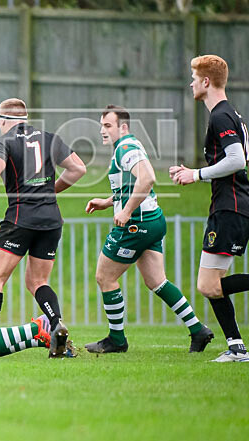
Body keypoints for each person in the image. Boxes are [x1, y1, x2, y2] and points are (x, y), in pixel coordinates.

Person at [0, 98, 87, 358]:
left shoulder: (3, 143)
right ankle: (56, 325)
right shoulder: (49, 138)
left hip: (20, 219)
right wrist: (49, 192)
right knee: (38, 281)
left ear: (2, 120)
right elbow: (78, 169)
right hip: (51, 220)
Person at [85, 105, 212, 354]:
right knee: (157, 281)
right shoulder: (130, 145)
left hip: (137, 224)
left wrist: (126, 211)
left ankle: (117, 340)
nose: (102, 130)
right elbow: (133, 185)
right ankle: (198, 330)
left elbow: (147, 179)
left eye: (107, 125)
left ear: (123, 127)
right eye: (101, 125)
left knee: (105, 277)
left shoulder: (125, 148)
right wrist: (108, 202)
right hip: (153, 220)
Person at [170, 55, 249, 362]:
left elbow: (237, 160)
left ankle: (236, 348)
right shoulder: (230, 115)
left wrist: (196, 174)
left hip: (230, 208)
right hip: (231, 205)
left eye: (194, 78)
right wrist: (193, 172)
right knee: (210, 285)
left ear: (206, 81)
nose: (190, 83)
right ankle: (237, 347)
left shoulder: (221, 115)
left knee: (208, 284)